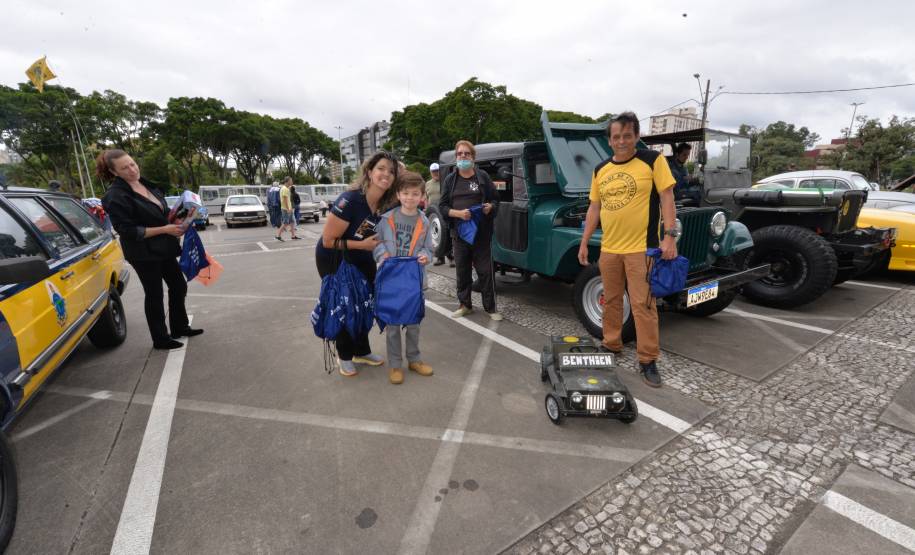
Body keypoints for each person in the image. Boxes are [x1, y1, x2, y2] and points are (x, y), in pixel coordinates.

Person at [576, 112, 677, 388]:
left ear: (636, 137)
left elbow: (668, 197)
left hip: (641, 249)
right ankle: (611, 344)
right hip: (609, 247)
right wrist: (585, 241)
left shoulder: (652, 161)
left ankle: (647, 359)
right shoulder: (601, 170)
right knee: (610, 300)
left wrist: (670, 237)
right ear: (609, 140)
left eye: (627, 136)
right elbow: (594, 207)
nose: (621, 141)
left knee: (642, 305)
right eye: (616, 136)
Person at [98, 149, 203, 350]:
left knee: (178, 285)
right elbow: (128, 231)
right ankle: (160, 338)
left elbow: (162, 213)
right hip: (143, 252)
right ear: (114, 172)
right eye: (124, 168)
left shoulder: (146, 184)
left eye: (132, 164)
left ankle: (180, 327)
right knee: (154, 293)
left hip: (164, 246)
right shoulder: (114, 196)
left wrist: (179, 221)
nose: (132, 169)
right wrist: (165, 228)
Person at [316, 151, 399, 376]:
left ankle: (361, 350)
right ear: (369, 172)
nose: (386, 174)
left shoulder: (383, 202)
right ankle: (344, 355)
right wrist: (363, 246)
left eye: (391, 171)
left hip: (362, 254)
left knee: (365, 302)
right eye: (381, 168)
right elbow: (328, 240)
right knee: (345, 304)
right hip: (333, 257)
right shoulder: (350, 199)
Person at [373, 171, 434, 384]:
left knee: (413, 323)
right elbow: (376, 243)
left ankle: (414, 360)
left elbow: (429, 249)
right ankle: (395, 365)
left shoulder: (425, 222)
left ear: (422, 197)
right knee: (392, 326)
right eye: (406, 193)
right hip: (390, 280)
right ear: (398, 194)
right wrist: (382, 254)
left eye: (415, 194)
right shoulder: (386, 219)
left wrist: (426, 256)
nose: (410, 198)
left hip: (414, 281)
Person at [439, 140, 502, 321]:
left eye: (467, 154)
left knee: (486, 272)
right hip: (459, 234)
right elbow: (442, 206)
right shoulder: (451, 180)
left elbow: (496, 200)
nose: (463, 157)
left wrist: (491, 207)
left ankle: (491, 308)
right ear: (456, 157)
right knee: (462, 271)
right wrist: (457, 213)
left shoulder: (482, 177)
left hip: (481, 234)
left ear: (473, 157)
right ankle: (465, 305)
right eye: (460, 154)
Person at [427, 163, 453, 267]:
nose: (436, 173)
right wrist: (426, 209)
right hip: (433, 213)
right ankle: (439, 258)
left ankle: (451, 257)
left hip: (444, 211)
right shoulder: (427, 184)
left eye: (437, 171)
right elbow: (426, 197)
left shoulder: (445, 182)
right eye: (433, 171)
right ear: (430, 172)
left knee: (448, 234)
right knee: (437, 235)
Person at [276, 177, 298, 241]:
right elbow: (285, 200)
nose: (292, 182)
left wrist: (290, 208)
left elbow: (283, 199)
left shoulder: (284, 188)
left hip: (288, 208)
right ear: (287, 181)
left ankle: (293, 235)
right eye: (291, 180)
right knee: (285, 222)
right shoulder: (285, 189)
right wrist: (288, 209)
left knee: (292, 221)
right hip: (286, 209)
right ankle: (278, 235)